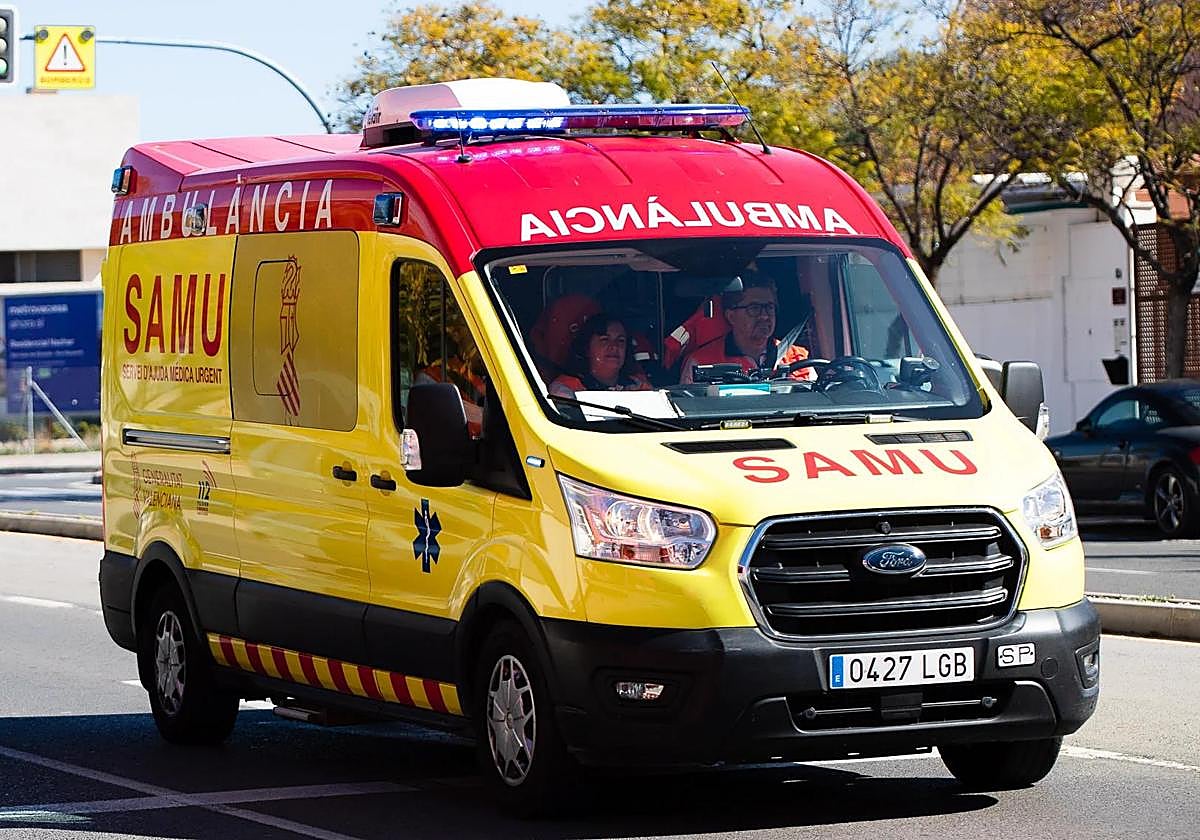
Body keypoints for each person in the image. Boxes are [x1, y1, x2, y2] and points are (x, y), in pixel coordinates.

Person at [678, 276, 812, 384]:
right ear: (731, 316)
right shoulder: (701, 363)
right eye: (754, 308)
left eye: (769, 307)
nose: (764, 316)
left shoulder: (797, 358)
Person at [549, 313, 652, 397]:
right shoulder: (565, 388)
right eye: (605, 340)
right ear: (587, 348)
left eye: (620, 340)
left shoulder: (639, 386)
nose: (614, 346)